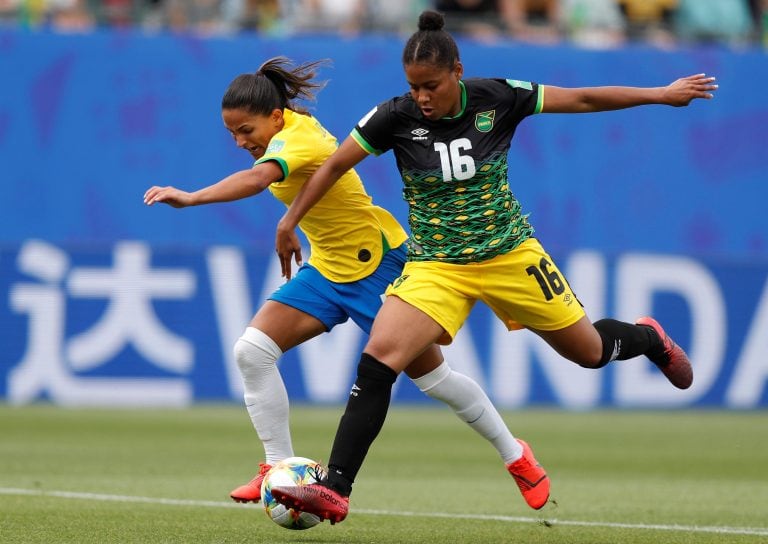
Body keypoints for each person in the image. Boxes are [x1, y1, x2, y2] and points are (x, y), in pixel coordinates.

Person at [270, 10, 716, 524]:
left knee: (589, 353)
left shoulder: (499, 96)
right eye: (414, 88)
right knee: (378, 360)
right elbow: (333, 165)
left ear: (457, 71)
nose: (421, 98)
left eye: (431, 86)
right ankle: (336, 488)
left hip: (509, 254)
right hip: (438, 265)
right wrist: (290, 220)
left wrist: (660, 93)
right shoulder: (392, 117)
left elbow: (584, 98)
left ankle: (649, 339)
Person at [143, 56, 550, 510]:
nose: (240, 142)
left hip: (378, 264)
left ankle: (516, 456)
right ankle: (276, 468)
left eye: (246, 131)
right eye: (232, 134)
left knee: (434, 379)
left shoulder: (298, 137)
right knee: (251, 352)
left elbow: (259, 180)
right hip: (328, 269)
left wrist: (192, 196)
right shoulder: (281, 133)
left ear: (276, 117)